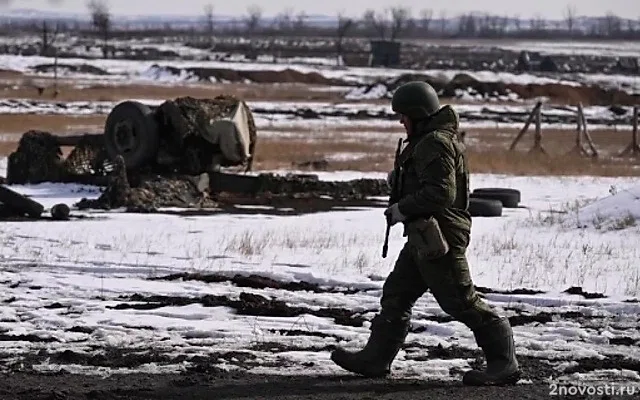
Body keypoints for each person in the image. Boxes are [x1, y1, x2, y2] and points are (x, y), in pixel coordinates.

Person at [330, 81, 520, 386]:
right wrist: (403, 181)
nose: (400, 121)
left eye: (404, 115)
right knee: (396, 294)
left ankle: (503, 362)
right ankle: (376, 360)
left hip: (440, 236)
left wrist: (403, 208)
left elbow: (442, 193)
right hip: (424, 234)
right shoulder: (427, 140)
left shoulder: (435, 142)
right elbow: (431, 182)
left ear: (418, 114)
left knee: (460, 300)